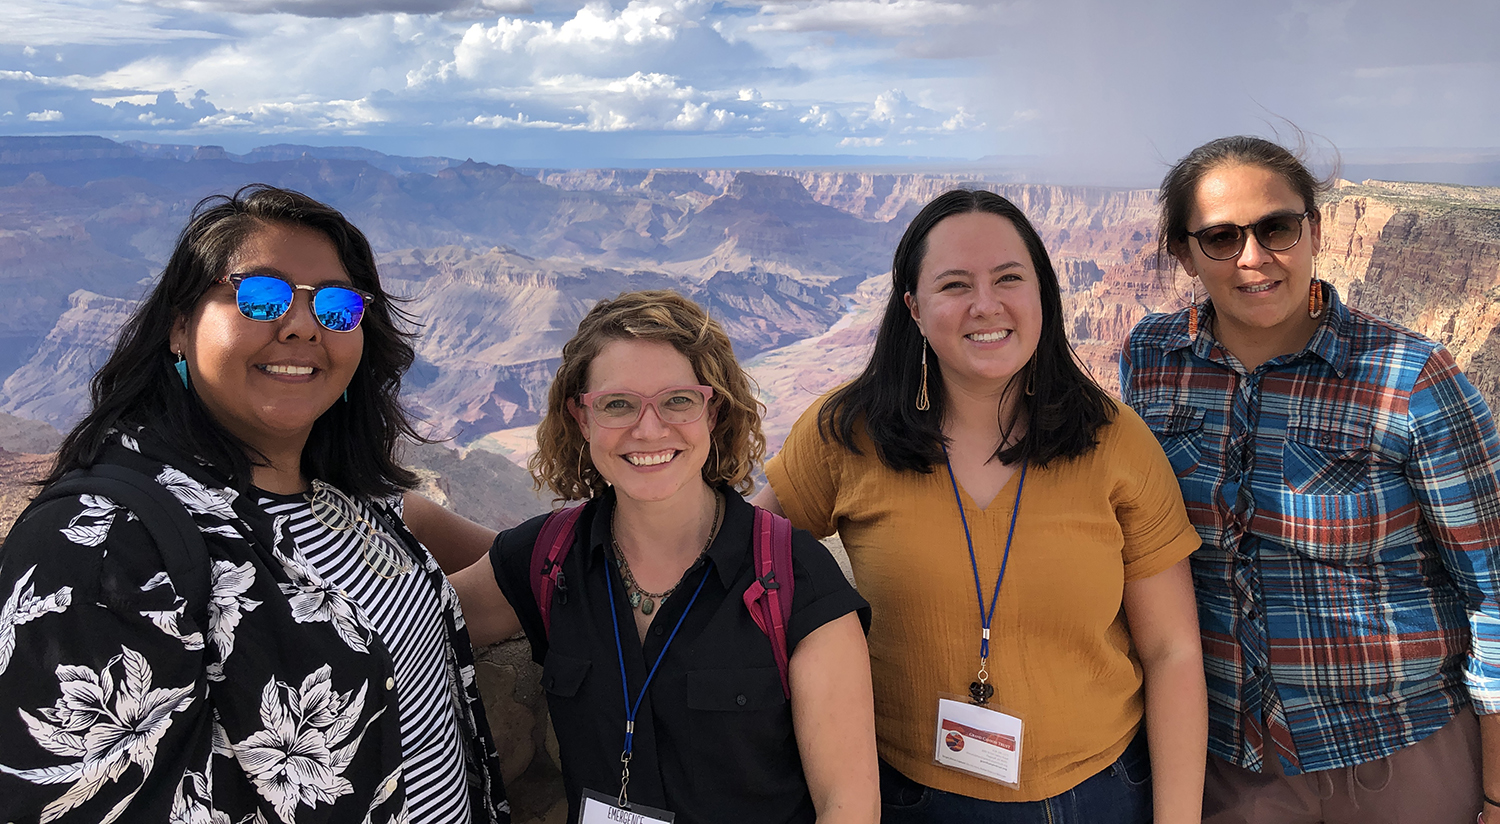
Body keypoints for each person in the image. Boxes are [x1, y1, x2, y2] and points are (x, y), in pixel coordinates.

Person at [0, 185, 509, 824]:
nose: (301, 325)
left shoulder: (356, 502)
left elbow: (517, 576)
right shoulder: (100, 542)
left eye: (337, 306)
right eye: (259, 298)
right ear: (180, 327)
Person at [754, 188, 1207, 823]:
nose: (986, 305)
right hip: (908, 795)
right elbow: (745, 564)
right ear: (913, 306)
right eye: (954, 284)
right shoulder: (847, 435)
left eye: (1009, 278)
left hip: (1096, 796)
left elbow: (1172, 653)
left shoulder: (1115, 443)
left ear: (1043, 294)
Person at [1119, 135, 1496, 824]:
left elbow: (1495, 594)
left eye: (1277, 228)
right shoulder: (1151, 358)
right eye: (1221, 238)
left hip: (1401, 755)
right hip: (1231, 767)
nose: (1254, 259)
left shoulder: (1411, 378)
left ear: (1316, 231)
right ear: (1184, 253)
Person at [442, 290, 878, 824]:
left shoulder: (791, 574)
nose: (649, 430)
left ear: (713, 411)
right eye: (617, 404)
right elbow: (404, 626)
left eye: (677, 400)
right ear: (582, 417)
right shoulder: (545, 557)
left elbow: (848, 806)